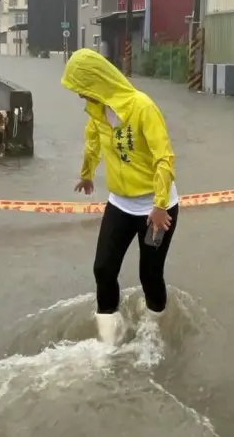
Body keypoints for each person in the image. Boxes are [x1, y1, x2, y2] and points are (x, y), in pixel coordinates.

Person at [61, 48, 180, 345]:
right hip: (120, 204)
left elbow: (164, 157)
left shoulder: (142, 107)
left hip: (156, 210)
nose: (80, 95)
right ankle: (109, 338)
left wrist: (160, 205)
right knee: (103, 268)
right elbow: (92, 142)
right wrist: (87, 173)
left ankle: (154, 328)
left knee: (149, 274)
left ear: (97, 82)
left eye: (82, 88)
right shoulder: (97, 111)